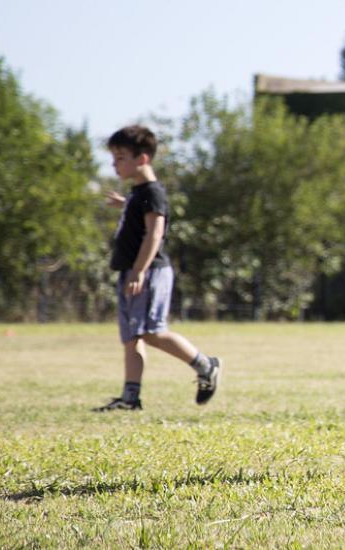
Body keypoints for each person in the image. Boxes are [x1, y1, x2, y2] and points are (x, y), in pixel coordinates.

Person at [93, 125, 221, 411]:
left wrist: (140, 271)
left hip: (148, 272)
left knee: (151, 332)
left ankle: (205, 365)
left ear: (142, 159)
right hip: (131, 270)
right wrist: (126, 204)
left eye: (120, 158)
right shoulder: (139, 193)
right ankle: (130, 398)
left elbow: (155, 233)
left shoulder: (152, 192)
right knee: (131, 337)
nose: (114, 165)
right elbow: (141, 213)